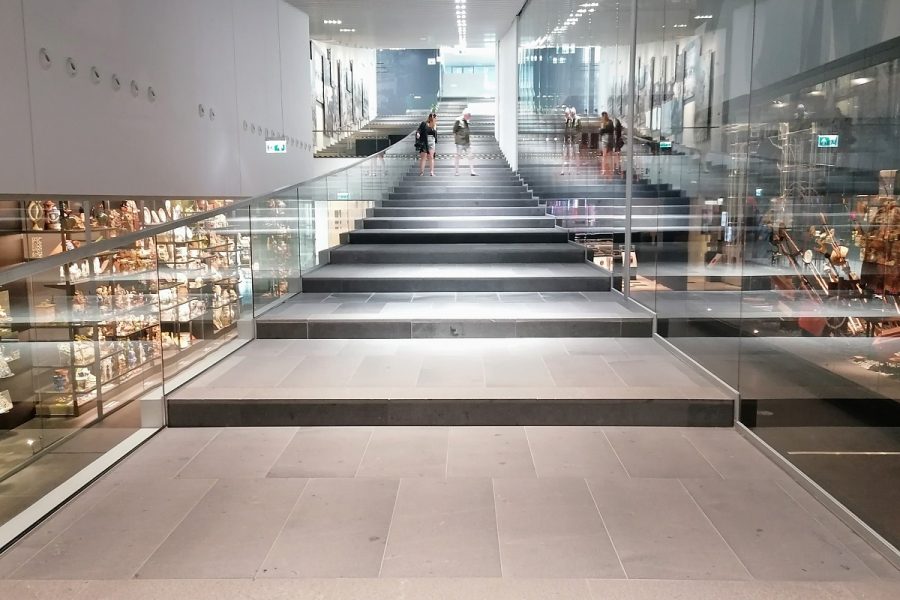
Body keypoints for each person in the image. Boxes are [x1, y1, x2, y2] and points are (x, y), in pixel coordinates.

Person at [453, 108, 477, 176]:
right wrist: (456, 140)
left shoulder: (467, 121)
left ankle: (472, 171)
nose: (470, 117)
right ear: (465, 114)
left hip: (467, 142)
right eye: (469, 115)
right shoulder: (458, 120)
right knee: (458, 156)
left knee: (470, 156)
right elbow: (454, 130)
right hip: (460, 142)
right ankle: (456, 172)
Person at [561, 107, 582, 175]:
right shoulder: (567, 120)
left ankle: (577, 170)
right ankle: (564, 170)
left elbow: (579, 130)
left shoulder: (577, 119)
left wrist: (578, 139)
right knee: (567, 154)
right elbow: (565, 130)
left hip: (574, 140)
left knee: (575, 154)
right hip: (568, 139)